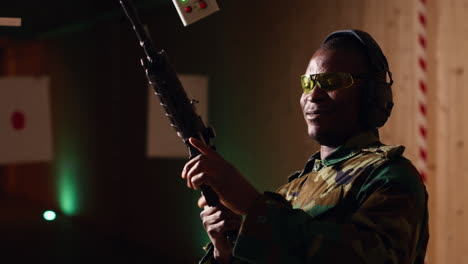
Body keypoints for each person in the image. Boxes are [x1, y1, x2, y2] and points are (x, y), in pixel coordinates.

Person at [181, 29, 429, 264]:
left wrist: (254, 208)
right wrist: (224, 252)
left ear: (372, 96)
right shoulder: (291, 192)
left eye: (332, 82)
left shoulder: (390, 176)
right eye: (308, 84)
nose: (313, 95)